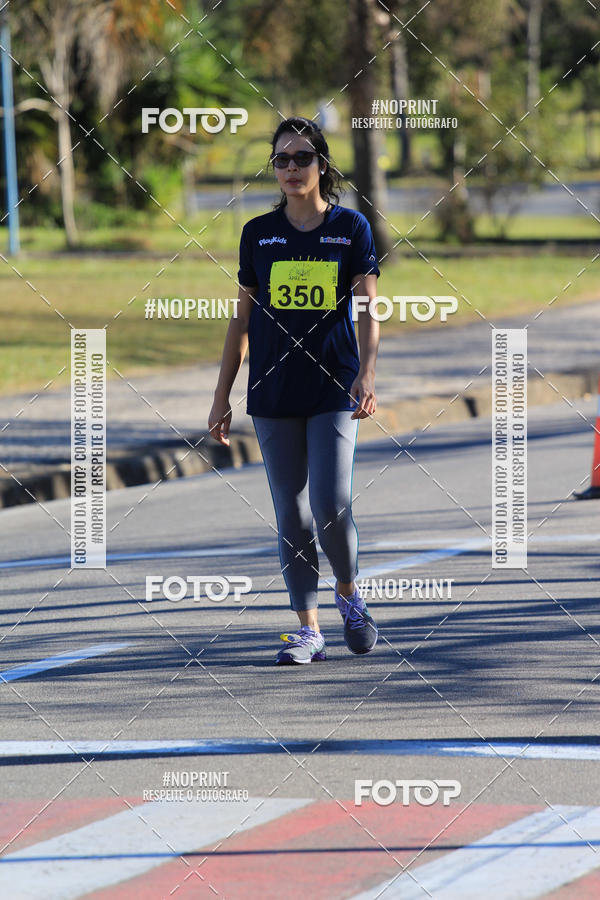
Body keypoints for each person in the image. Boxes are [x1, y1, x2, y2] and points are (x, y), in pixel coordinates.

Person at [208, 116, 380, 665]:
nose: (290, 168)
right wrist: (221, 396)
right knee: (291, 513)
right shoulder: (257, 233)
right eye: (281, 159)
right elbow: (241, 320)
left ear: (321, 165)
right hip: (273, 390)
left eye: (302, 158)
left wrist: (367, 372)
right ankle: (308, 629)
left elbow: (368, 308)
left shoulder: (350, 228)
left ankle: (349, 595)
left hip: (333, 385)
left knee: (330, 504)